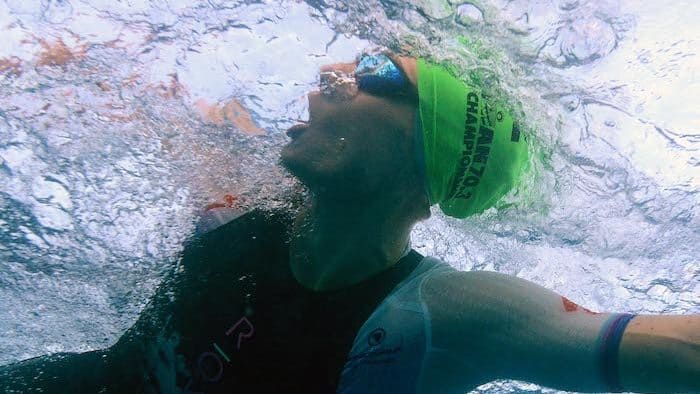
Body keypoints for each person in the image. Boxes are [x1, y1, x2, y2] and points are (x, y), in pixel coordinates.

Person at [1, 53, 698, 394]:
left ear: (426, 148)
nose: (329, 78)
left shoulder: (438, 315)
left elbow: (677, 351)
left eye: (372, 73)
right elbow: (162, 99)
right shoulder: (240, 204)